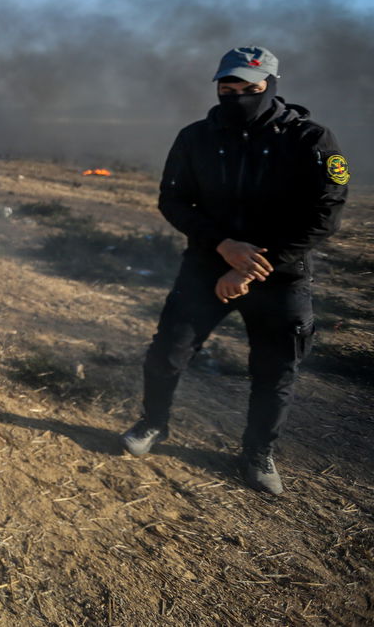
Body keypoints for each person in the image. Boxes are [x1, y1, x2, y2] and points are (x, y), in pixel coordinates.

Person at [121, 46, 348, 495]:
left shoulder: (310, 139)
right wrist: (223, 246)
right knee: (166, 353)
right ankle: (153, 424)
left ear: (271, 85)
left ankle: (258, 453)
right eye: (229, 86)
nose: (238, 94)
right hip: (207, 265)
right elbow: (173, 200)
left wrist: (249, 268)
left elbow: (325, 216)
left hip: (280, 274)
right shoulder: (195, 137)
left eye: (251, 87)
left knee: (275, 371)